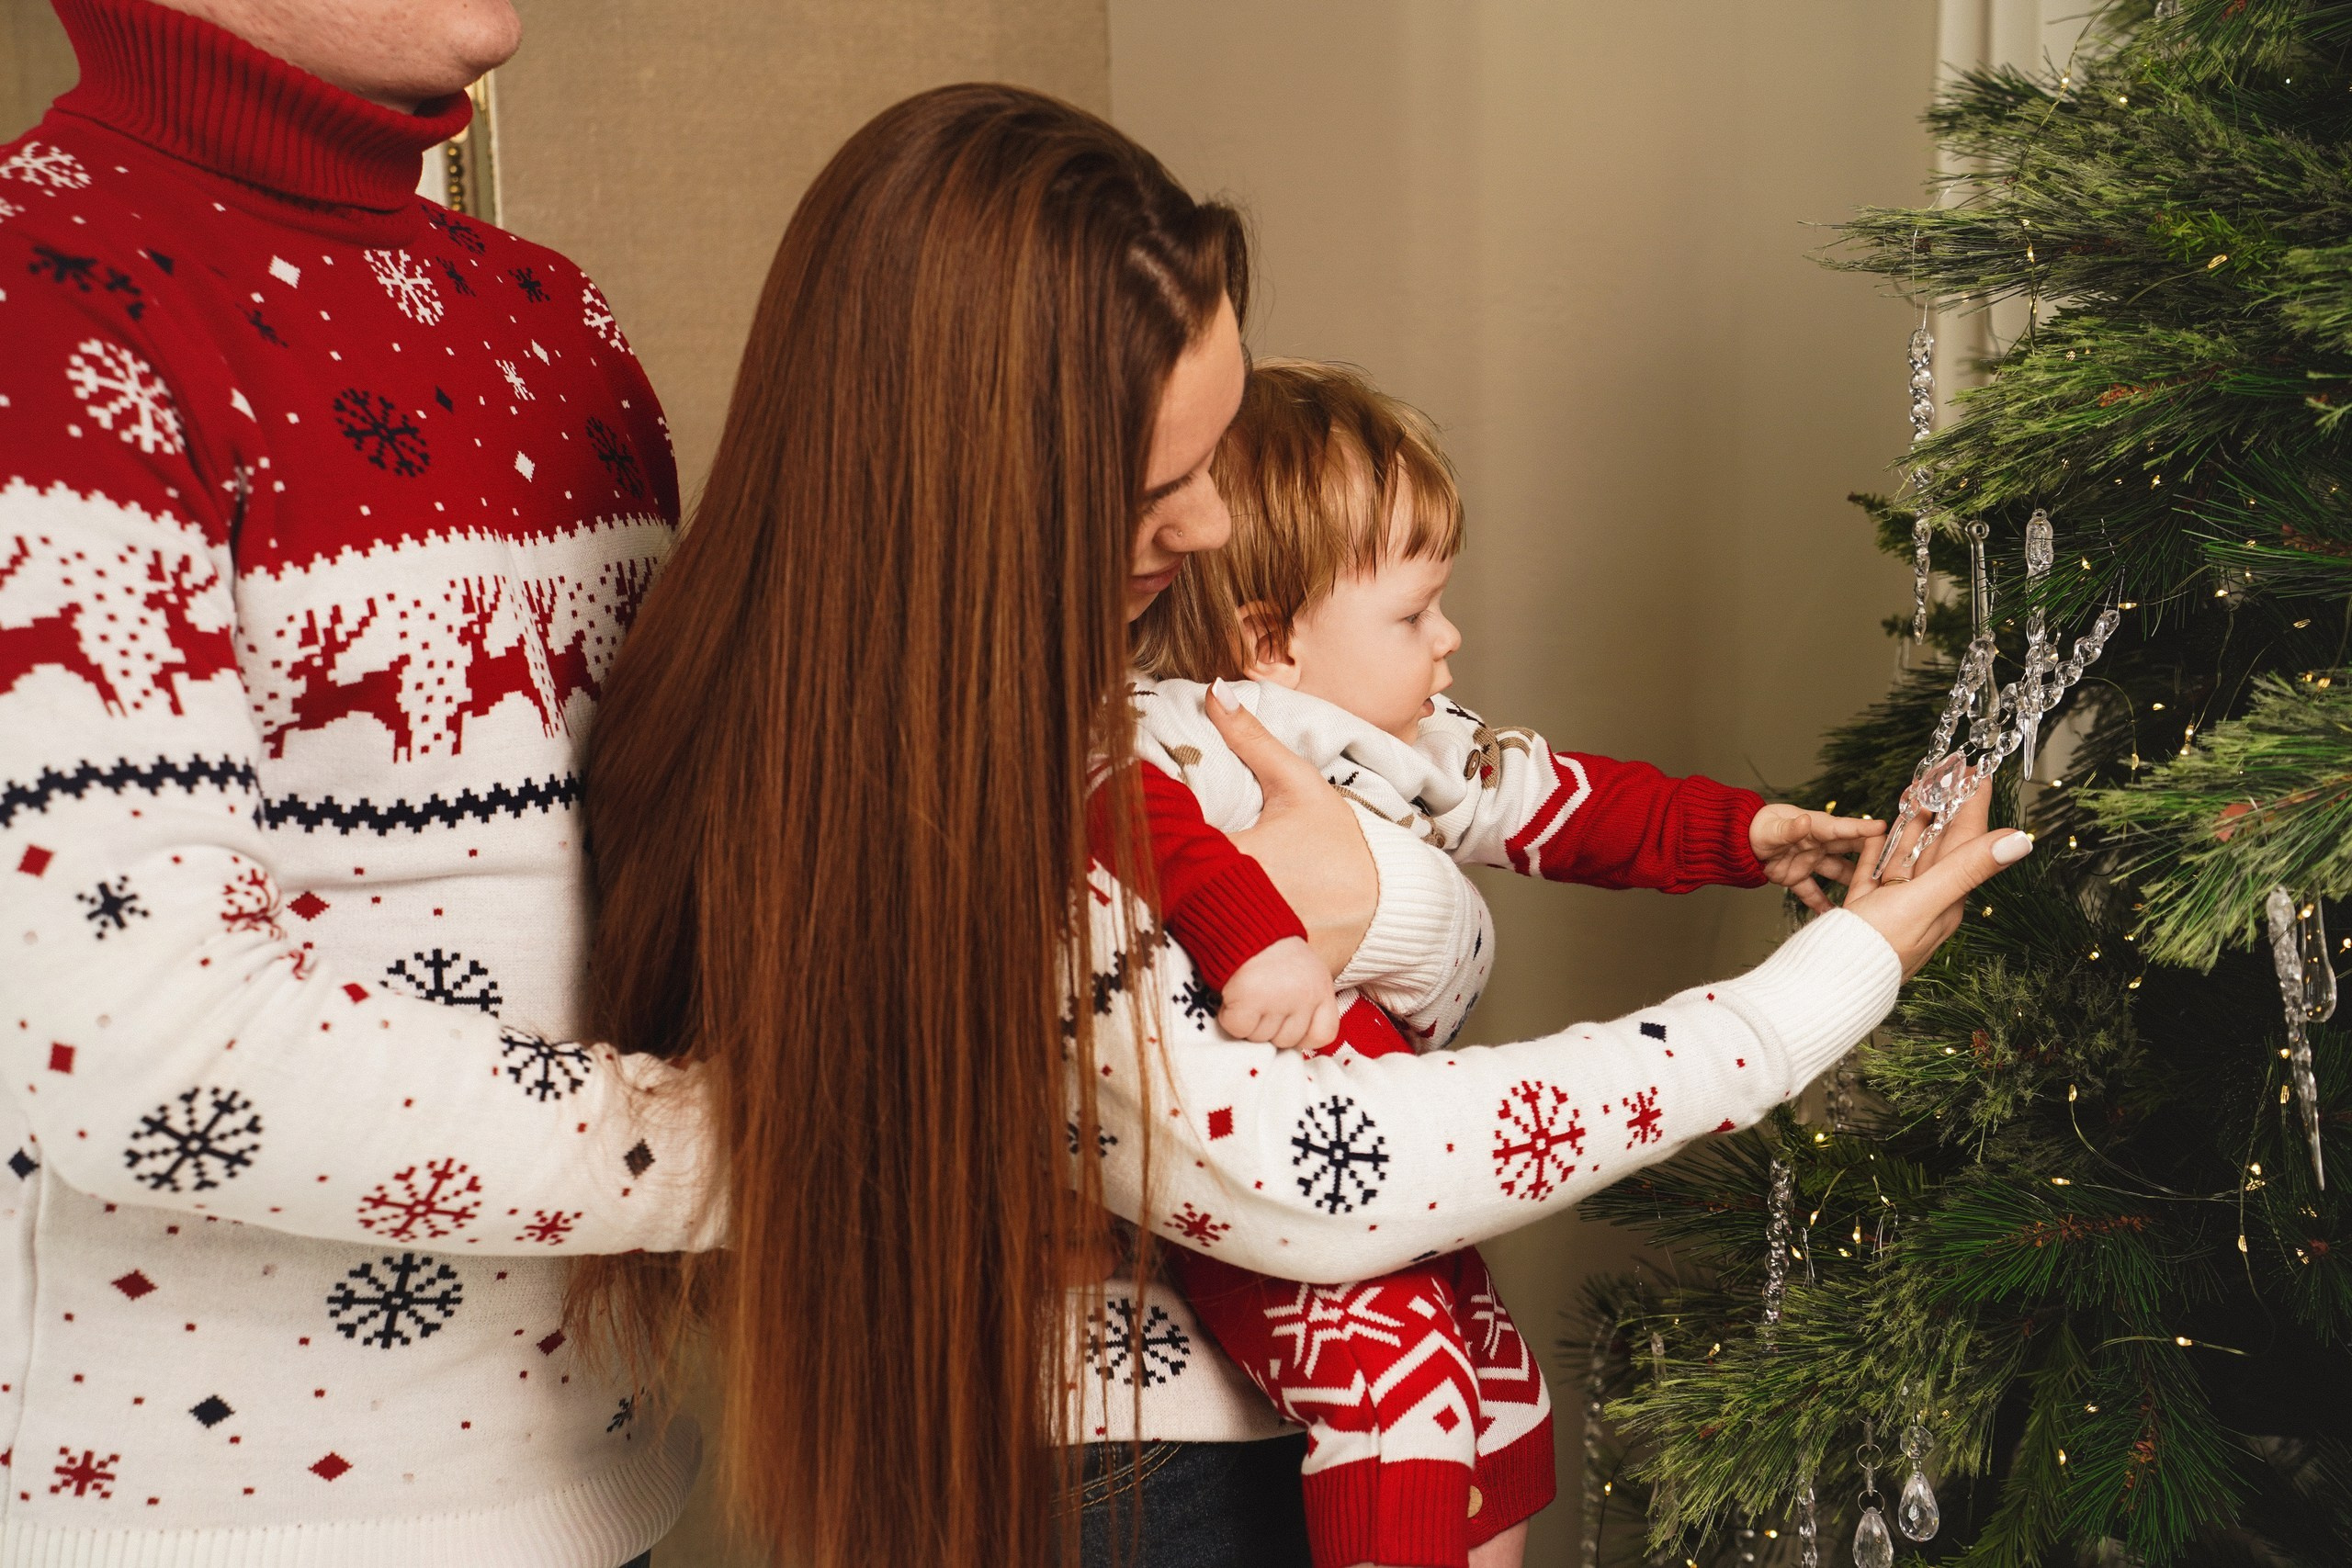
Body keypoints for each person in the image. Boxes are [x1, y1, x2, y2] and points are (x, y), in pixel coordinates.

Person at [571, 82, 2030, 1568]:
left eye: (1216, 458)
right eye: (1162, 483)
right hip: (1138, 1481)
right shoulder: (1035, 786)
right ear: (983, 486)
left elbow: (1529, 798)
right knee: (1408, 1392)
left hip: (1199, 1446)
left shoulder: (1106, 718)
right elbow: (1324, 1174)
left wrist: (1646, 856)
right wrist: (1813, 995)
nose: (1214, 529)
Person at [0, 2, 715, 1563]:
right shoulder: (39, 292)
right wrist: (775, 1155)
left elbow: (657, 866)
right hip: (212, 1523)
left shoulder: (553, 318)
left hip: (602, 1473)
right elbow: (142, 1049)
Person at [1103, 357, 1888, 1568]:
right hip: (1283, 1181)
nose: (1450, 638)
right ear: (1270, 641)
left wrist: (1749, 834)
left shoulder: (1412, 744)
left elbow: (1567, 803)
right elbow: (1144, 834)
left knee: (1502, 1390)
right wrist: (1259, 942)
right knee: (1398, 1399)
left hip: (1393, 1142)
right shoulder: (1172, 733)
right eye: (1413, 615)